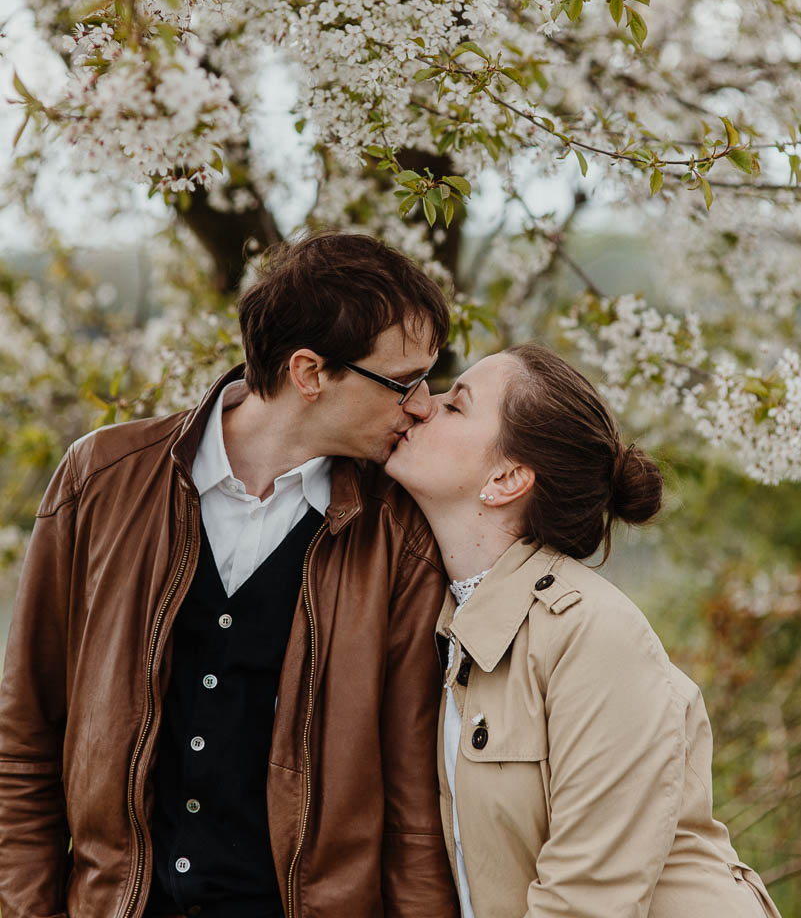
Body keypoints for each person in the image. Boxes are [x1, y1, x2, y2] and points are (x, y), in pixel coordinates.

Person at [0, 232, 460, 918]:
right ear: (309, 373)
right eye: (403, 382)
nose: (422, 404)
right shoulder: (100, 480)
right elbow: (24, 741)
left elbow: (412, 801)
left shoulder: (401, 533)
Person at [385, 342, 782, 918]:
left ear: (506, 477)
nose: (423, 404)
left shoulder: (595, 635)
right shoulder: (448, 624)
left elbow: (585, 901)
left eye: (456, 405)